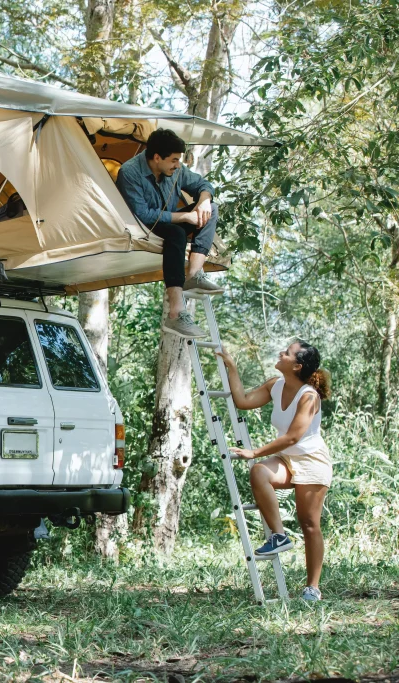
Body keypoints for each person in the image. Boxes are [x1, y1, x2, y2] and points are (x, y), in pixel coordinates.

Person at [215, 341, 332, 602]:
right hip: (287, 460)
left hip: (312, 461)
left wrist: (255, 451)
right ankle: (279, 536)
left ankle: (312, 587)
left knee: (310, 524)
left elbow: (293, 437)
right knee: (259, 473)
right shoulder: (274, 385)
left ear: (297, 365)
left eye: (287, 353)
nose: (281, 353)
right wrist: (232, 367)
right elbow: (243, 401)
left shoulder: (308, 396)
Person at [116, 129, 223, 339]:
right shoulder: (129, 172)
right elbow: (143, 214)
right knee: (176, 232)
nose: (177, 165)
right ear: (157, 158)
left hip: (169, 221)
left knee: (212, 209)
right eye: (174, 160)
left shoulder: (176, 169)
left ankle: (193, 275)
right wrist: (184, 218)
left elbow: (203, 184)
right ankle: (175, 313)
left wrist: (204, 201)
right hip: (141, 227)